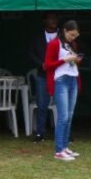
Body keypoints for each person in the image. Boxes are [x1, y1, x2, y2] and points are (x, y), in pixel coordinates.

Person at [44, 20, 82, 161]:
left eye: (75, 35)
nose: (73, 38)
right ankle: (59, 150)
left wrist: (75, 60)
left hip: (73, 79)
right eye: (72, 35)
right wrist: (65, 60)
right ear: (65, 31)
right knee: (63, 117)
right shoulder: (54, 43)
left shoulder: (71, 44)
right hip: (61, 80)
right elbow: (47, 65)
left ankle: (65, 147)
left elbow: (71, 61)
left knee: (69, 116)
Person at [27, 12, 60, 142]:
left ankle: (64, 134)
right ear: (44, 21)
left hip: (59, 75)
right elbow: (31, 53)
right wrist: (41, 64)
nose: (54, 20)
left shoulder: (62, 35)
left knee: (62, 105)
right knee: (42, 105)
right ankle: (40, 133)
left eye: (55, 18)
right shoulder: (38, 37)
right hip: (43, 75)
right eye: (51, 18)